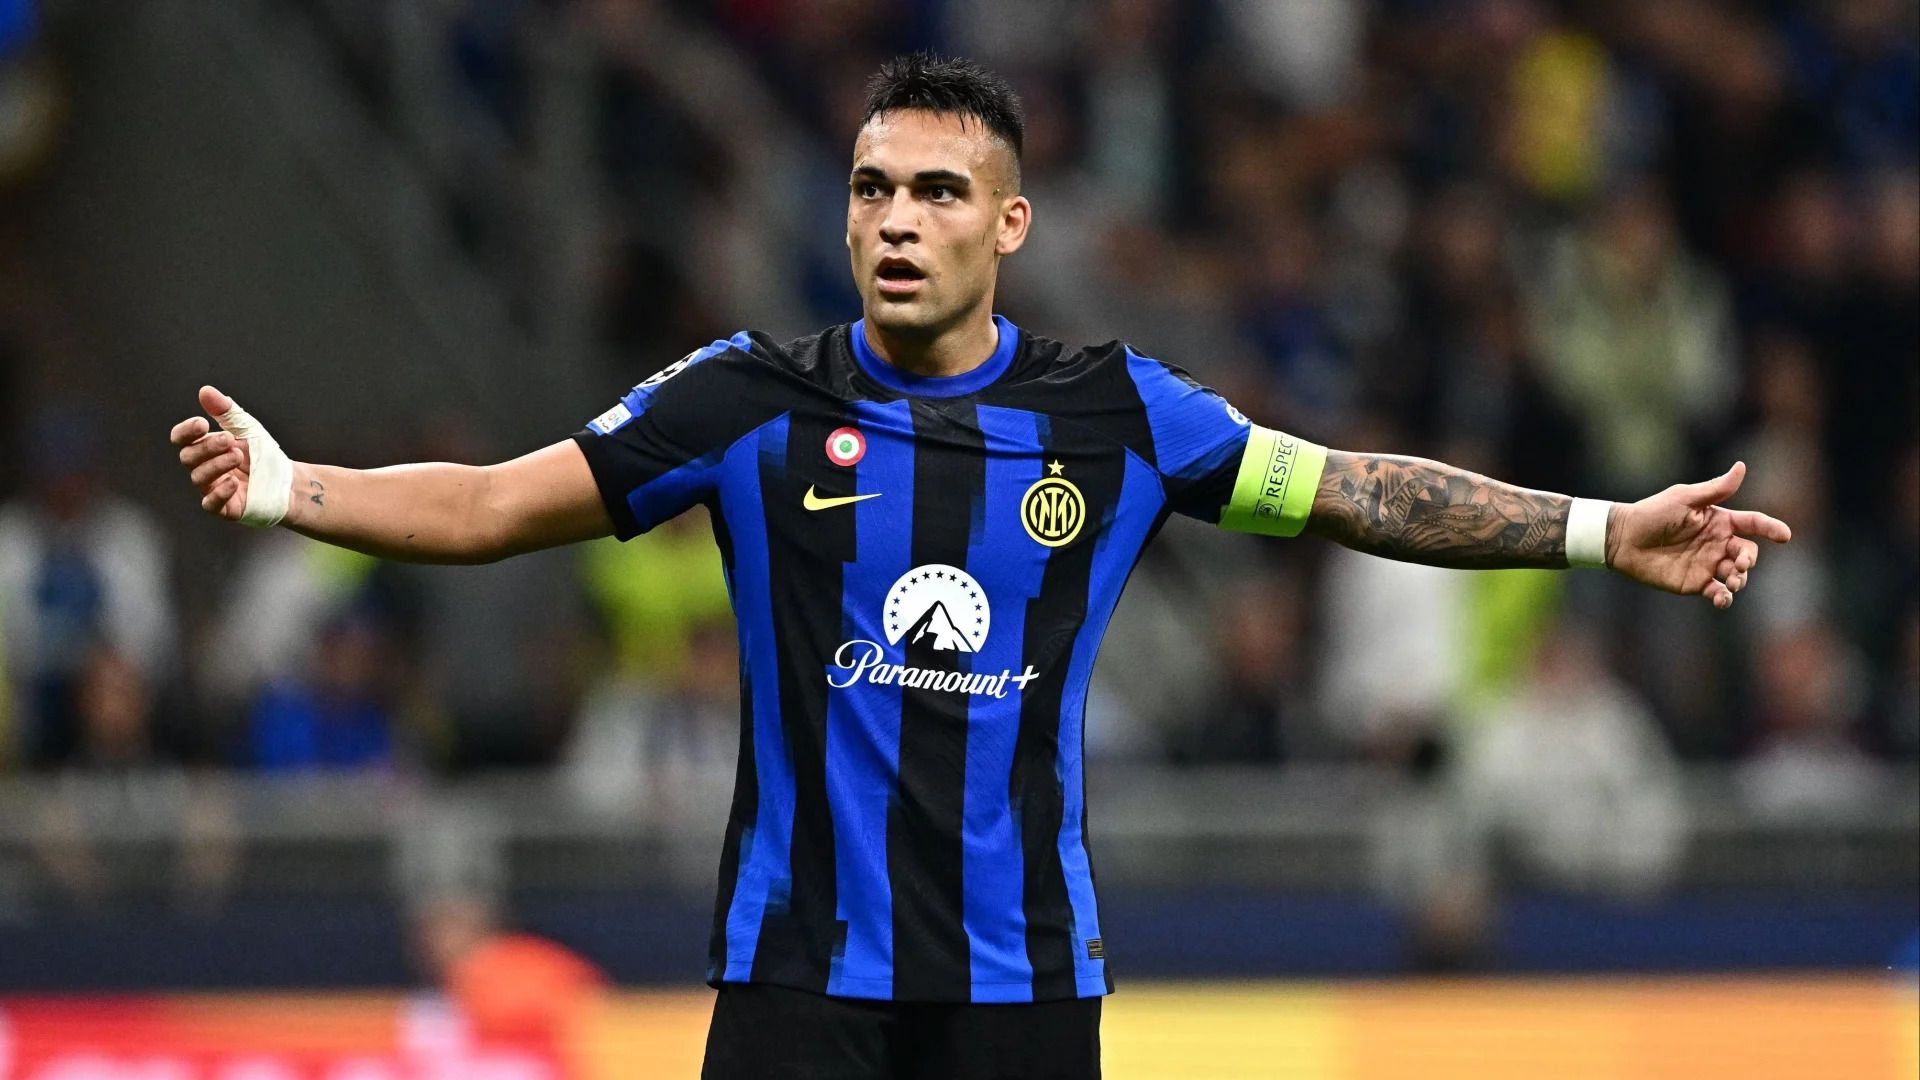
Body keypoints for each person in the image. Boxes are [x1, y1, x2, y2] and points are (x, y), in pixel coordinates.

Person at [167, 53, 1791, 1080]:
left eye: (939, 192)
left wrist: (1602, 529)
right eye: (872, 188)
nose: (896, 219)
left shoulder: (1119, 415)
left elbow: (1354, 491)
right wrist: (295, 486)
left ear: (1008, 226)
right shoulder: (748, 399)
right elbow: (491, 504)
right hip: (796, 986)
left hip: (1022, 993)